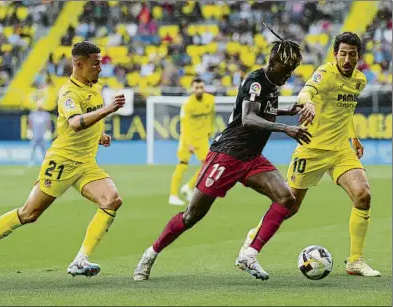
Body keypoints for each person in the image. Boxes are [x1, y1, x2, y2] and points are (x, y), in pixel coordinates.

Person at [134, 39, 310, 281]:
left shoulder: (273, 85)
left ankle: (249, 255)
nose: (288, 76)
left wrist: (285, 112)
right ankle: (149, 255)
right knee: (191, 216)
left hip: (251, 158)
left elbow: (260, 110)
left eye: (291, 72)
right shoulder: (256, 81)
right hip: (226, 155)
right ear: (273, 62)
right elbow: (248, 118)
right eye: (285, 70)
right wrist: (285, 127)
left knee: (286, 197)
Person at [0, 41, 126, 279]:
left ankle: (80, 260)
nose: (100, 68)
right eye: (96, 63)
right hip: (62, 162)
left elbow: (88, 120)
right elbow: (75, 123)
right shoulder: (69, 92)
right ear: (79, 64)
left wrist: (100, 135)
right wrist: (108, 110)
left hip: (86, 163)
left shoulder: (92, 87)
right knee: (29, 214)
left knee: (112, 200)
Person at [240, 32, 381, 277]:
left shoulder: (359, 80)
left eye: (353, 54)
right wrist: (309, 103)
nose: (347, 59)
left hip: (340, 150)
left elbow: (344, 112)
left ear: (359, 56)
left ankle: (355, 261)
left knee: (363, 195)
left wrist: (354, 136)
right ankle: (252, 240)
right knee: (289, 205)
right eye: (343, 54)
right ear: (335, 54)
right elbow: (305, 93)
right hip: (311, 148)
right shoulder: (325, 74)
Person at [169, 78, 215, 206]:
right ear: (192, 89)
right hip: (187, 138)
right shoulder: (188, 104)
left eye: (201, 87)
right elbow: (184, 125)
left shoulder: (210, 100)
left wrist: (209, 131)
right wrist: (188, 142)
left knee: (208, 165)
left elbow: (211, 116)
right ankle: (173, 195)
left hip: (202, 138)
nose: (199, 90)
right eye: (196, 87)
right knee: (183, 164)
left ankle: (188, 187)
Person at [27, 101, 52, 166]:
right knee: (32, 148)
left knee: (44, 149)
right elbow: (30, 123)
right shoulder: (33, 114)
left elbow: (48, 123)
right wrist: (30, 131)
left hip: (43, 135)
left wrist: (48, 131)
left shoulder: (46, 114)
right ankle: (31, 160)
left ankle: (44, 161)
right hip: (35, 135)